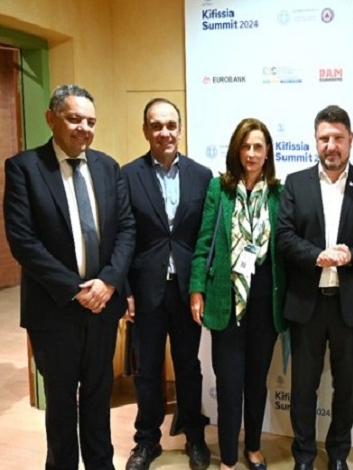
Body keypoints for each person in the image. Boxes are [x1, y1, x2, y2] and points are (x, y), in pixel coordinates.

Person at [3, 84, 136, 469]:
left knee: (98, 400)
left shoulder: (108, 167)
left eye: (91, 121)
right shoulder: (25, 168)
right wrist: (76, 290)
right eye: (74, 118)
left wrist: (108, 282)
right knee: (61, 409)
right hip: (54, 311)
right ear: (51, 118)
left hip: (102, 309)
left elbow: (126, 230)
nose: (84, 128)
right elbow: (23, 242)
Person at [276, 105, 353, 470]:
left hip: (349, 305)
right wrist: (317, 256)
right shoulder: (295, 183)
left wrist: (351, 256)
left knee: (346, 387)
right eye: (324, 138)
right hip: (306, 304)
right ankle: (304, 456)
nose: (331, 145)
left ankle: (339, 454)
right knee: (303, 387)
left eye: (338, 138)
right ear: (315, 141)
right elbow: (284, 236)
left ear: (350, 139)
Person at [188, 118, 287, 470]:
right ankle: (229, 456)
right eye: (245, 146)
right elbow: (204, 243)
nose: (251, 153)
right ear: (236, 150)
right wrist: (196, 288)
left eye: (258, 146)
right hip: (226, 301)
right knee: (229, 384)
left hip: (264, 304)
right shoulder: (220, 189)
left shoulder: (278, 193)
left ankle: (254, 447)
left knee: (256, 383)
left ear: (268, 151)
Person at [121, 98, 212, 470]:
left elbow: (206, 237)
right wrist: (126, 290)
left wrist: (202, 286)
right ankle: (147, 441)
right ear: (146, 130)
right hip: (146, 291)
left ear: (180, 128)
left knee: (188, 367)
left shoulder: (202, 176)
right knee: (147, 370)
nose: (164, 132)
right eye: (156, 125)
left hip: (188, 291)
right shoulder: (128, 175)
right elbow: (123, 236)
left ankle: (194, 437)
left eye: (171, 125)